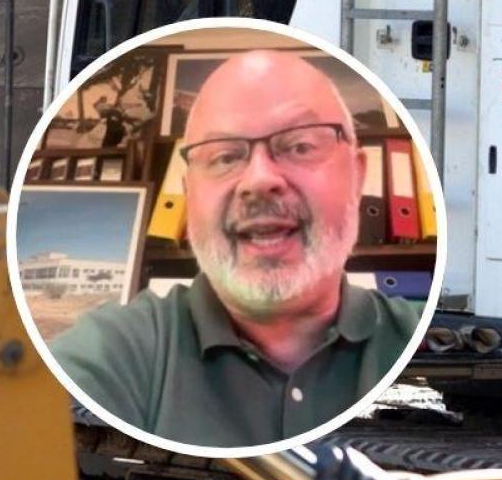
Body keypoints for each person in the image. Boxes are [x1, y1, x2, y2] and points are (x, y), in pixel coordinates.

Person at [48, 51, 423, 448]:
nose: (259, 180)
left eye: (299, 146)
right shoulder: (115, 351)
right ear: (188, 191)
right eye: (225, 156)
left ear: (357, 175)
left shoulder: (423, 341)